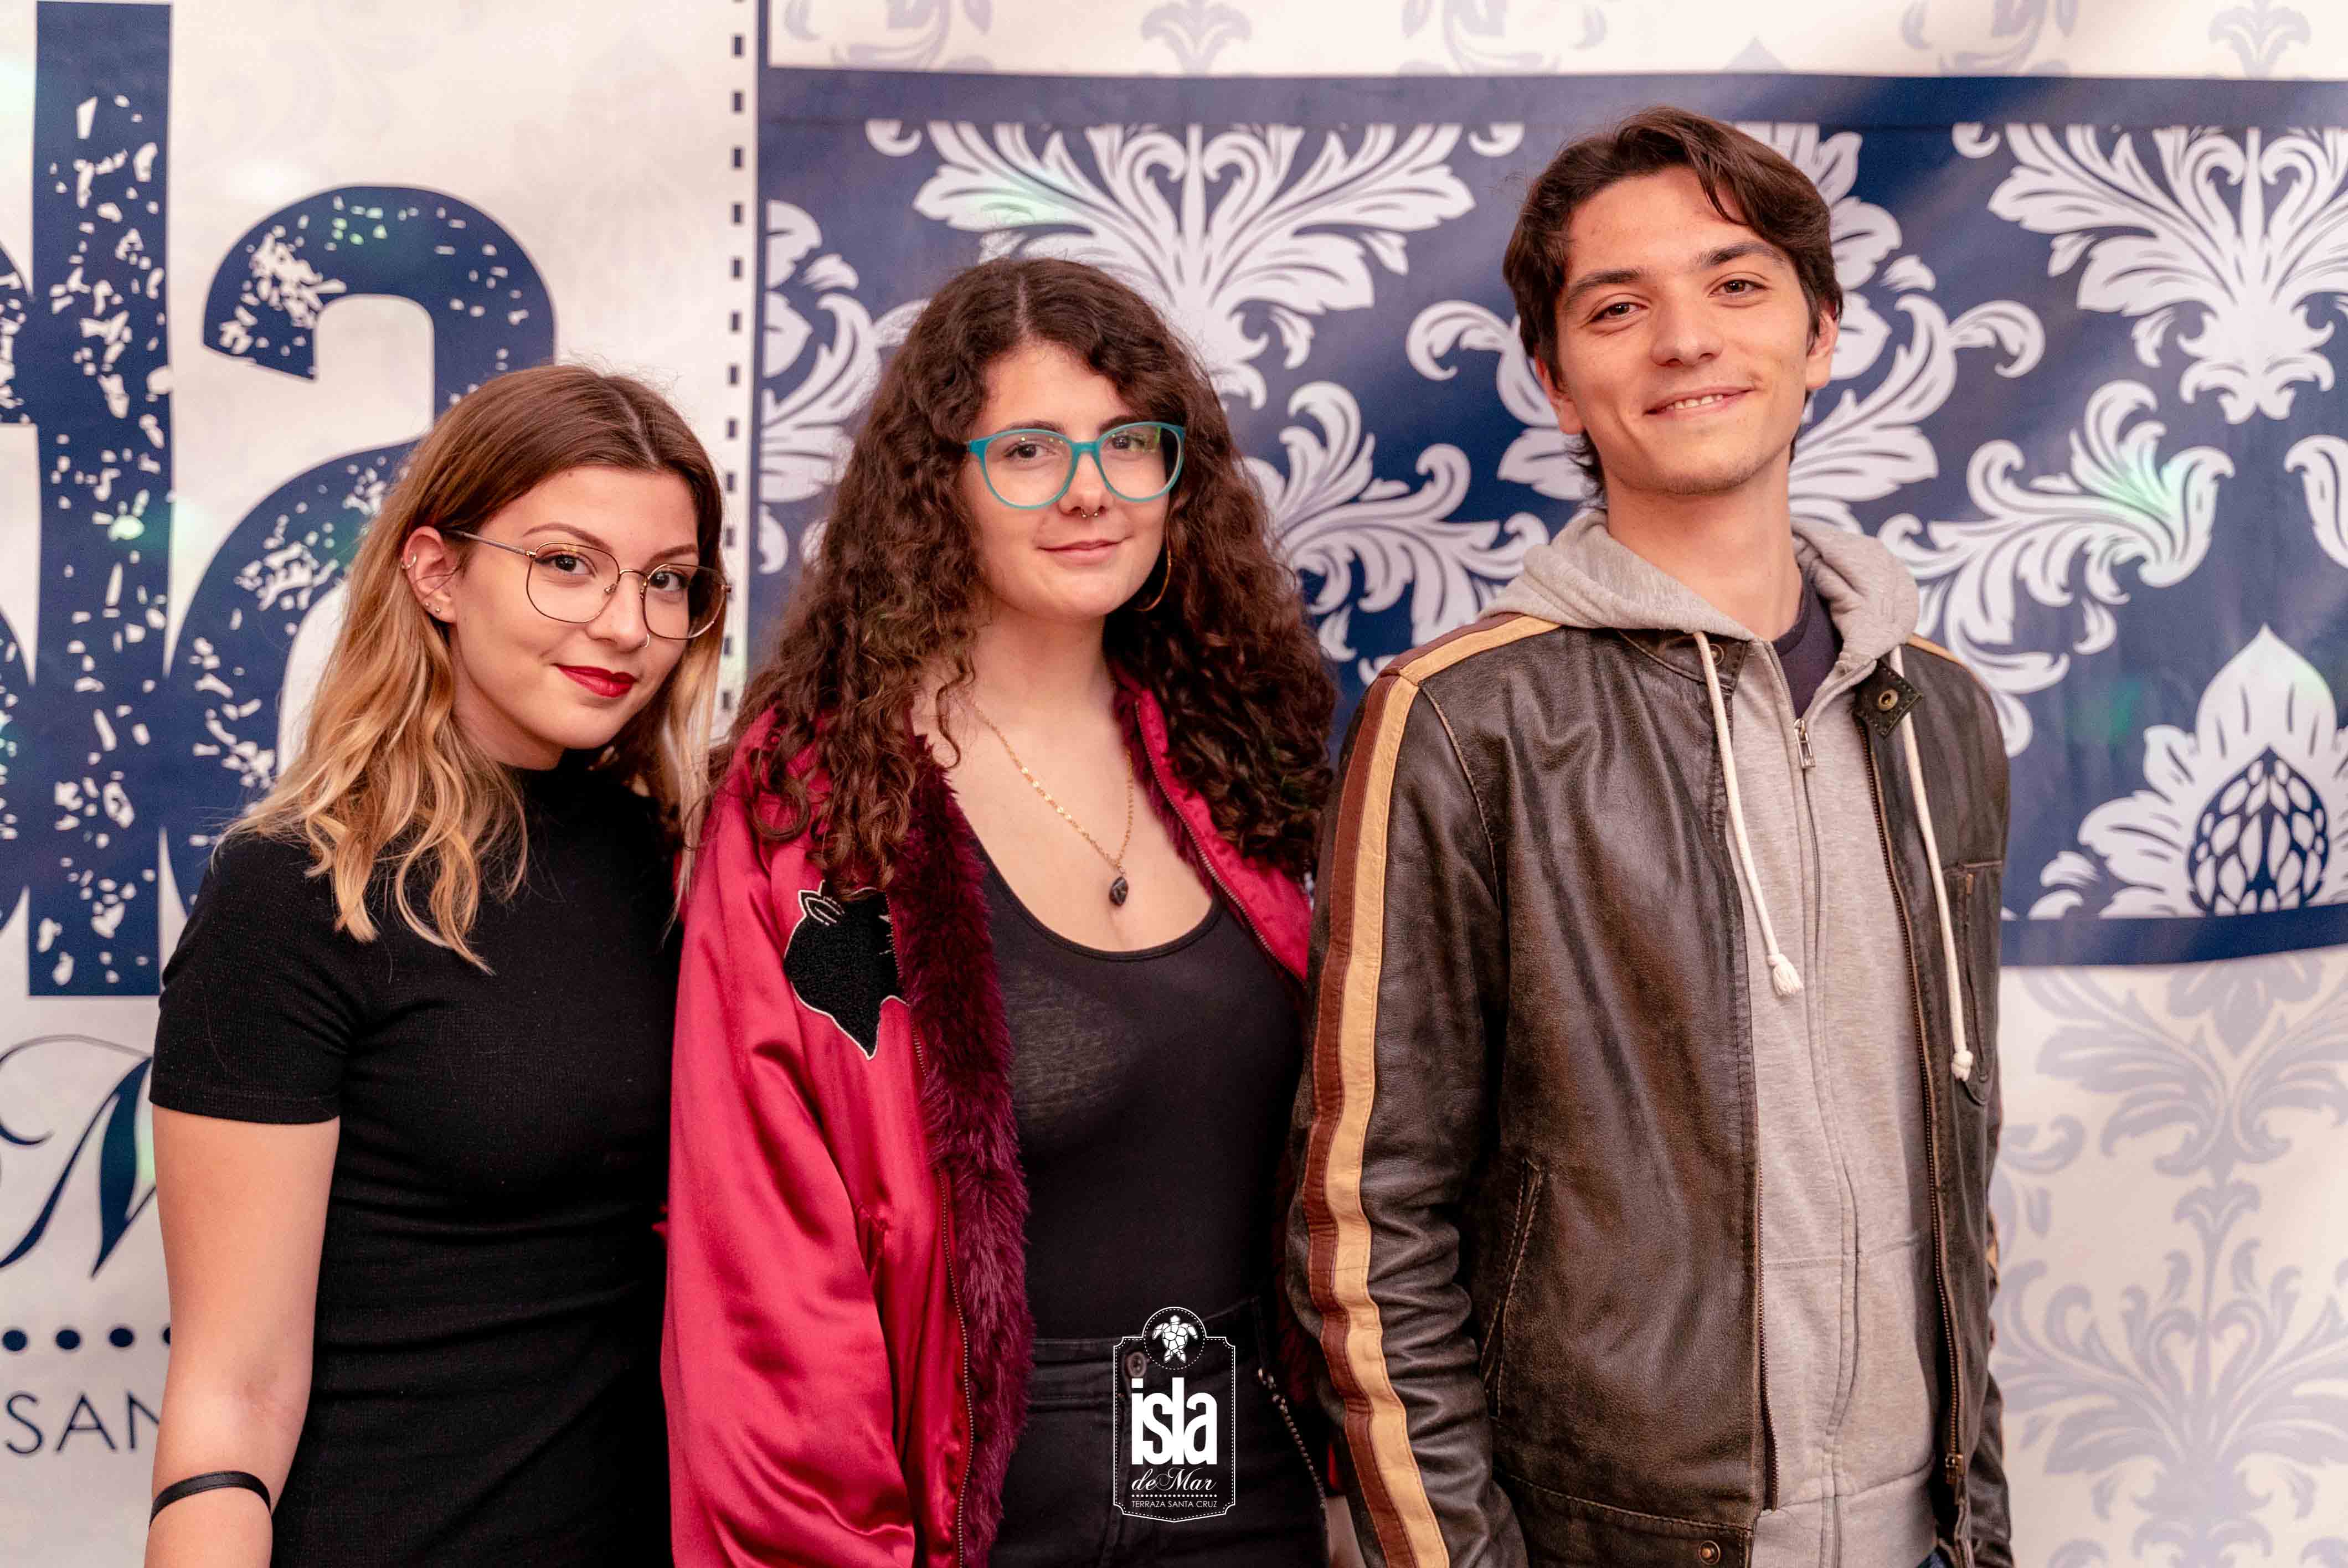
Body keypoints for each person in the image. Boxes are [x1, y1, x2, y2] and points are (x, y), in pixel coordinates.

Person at [1289, 108, 2012, 1568]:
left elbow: (1959, 1172)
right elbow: (1366, 1227)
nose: (1686, 339)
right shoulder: (1462, 721)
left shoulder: (1936, 713)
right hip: (1608, 1536)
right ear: (1556, 382)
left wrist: (1978, 1522)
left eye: (1735, 284)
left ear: (1819, 334)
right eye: (1617, 308)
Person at [663, 256, 1342, 1567]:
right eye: (1027, 450)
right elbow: (766, 1265)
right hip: (976, 1500)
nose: (1090, 490)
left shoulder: (1232, 759)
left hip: (1242, 1466)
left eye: (1128, 445)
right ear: (940, 489)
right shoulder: (819, 812)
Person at [145, 364, 729, 1566]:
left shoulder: (684, 868)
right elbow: (231, 1392)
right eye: (567, 563)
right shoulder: (299, 889)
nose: (626, 625)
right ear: (436, 573)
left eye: (666, 580)